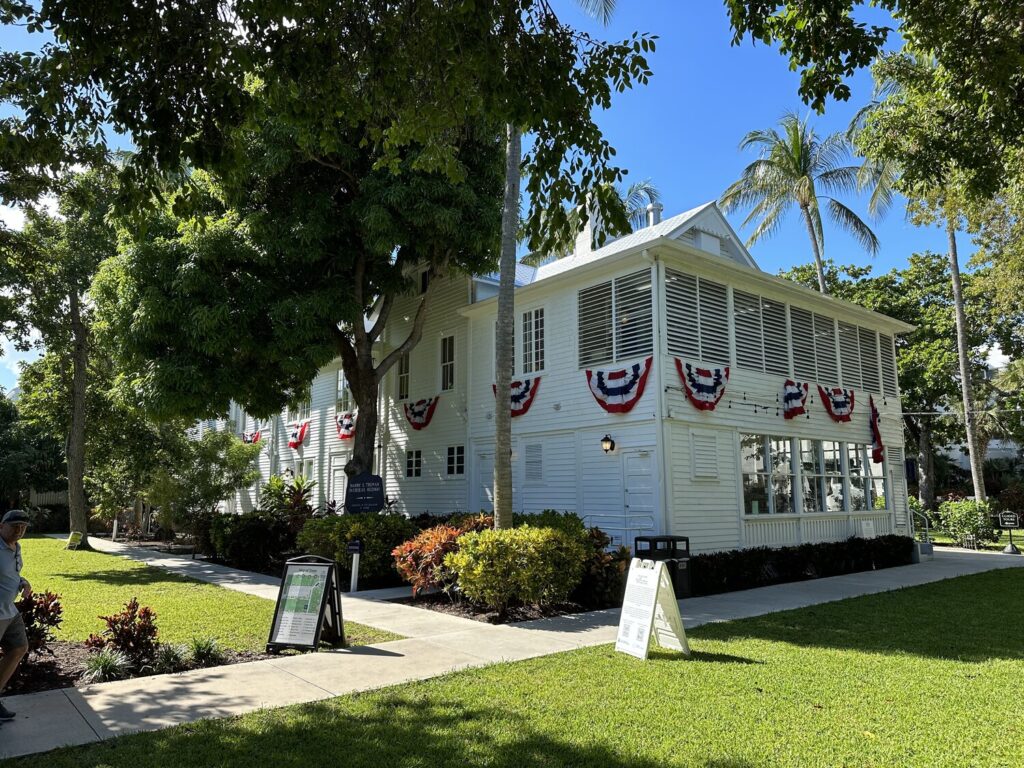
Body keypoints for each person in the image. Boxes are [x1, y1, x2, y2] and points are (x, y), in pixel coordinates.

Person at [0, 509, 32, 722]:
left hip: (9, 610)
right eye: (15, 526)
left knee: (19, 647)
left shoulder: (15, 547)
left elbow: (11, 574)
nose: (19, 531)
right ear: (1, 526)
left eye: (23, 527)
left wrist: (23, 581)